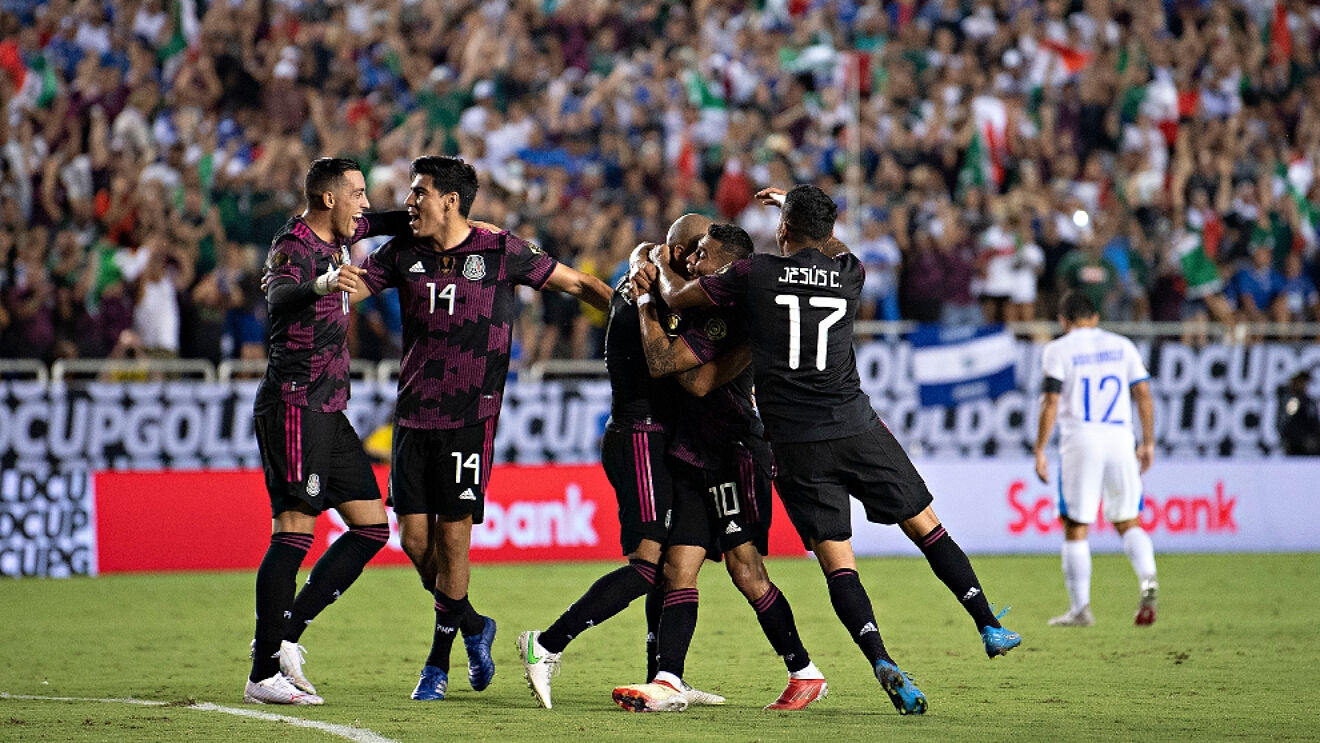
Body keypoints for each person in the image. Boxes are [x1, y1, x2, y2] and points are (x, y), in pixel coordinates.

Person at [652, 185, 1021, 716]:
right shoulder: (850, 272)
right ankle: (987, 622)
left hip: (796, 444)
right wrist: (799, 216)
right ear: (826, 232)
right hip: (855, 425)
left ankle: (881, 659)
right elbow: (832, 246)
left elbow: (676, 296)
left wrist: (654, 265)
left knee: (839, 565)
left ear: (782, 231)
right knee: (927, 527)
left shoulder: (753, 272)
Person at [354, 155, 613, 701]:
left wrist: (629, 319)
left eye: (419, 192)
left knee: (453, 542)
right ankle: (474, 625)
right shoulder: (402, 252)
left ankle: (437, 664)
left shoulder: (501, 250)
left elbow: (577, 283)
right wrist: (308, 279)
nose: (411, 202)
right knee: (414, 540)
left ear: (450, 199)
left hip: (471, 417)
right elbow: (347, 290)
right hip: (413, 415)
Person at [515, 215, 745, 711]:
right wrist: (651, 264)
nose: (707, 268)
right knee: (645, 567)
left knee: (671, 567)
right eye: (699, 254)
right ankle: (547, 643)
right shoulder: (656, 289)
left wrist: (646, 255)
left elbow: (653, 259)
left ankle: (662, 680)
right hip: (638, 434)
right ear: (683, 255)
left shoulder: (650, 269)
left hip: (662, 439)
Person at [611, 220, 827, 713]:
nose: (691, 261)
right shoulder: (695, 297)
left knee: (745, 571)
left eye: (702, 256)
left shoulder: (730, 314)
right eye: (690, 253)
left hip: (733, 454)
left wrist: (648, 295)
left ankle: (804, 671)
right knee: (675, 568)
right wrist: (645, 259)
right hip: (693, 452)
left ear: (726, 267)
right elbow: (651, 249)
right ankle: (668, 681)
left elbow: (691, 381)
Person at [246, 157, 404, 705]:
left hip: (329, 408)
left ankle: (287, 633)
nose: (365, 202)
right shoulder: (293, 244)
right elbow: (278, 301)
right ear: (328, 199)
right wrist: (325, 282)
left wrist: (437, 218)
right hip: (294, 404)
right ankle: (263, 671)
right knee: (293, 530)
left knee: (371, 526)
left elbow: (386, 222)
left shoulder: (344, 226)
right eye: (357, 193)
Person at [1033, 290, 1159, 627]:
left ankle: (1080, 609)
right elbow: (1143, 394)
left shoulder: (1058, 349)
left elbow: (1051, 401)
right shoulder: (1123, 345)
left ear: (1063, 321)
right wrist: (1148, 442)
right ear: (1096, 317)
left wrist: (1040, 448)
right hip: (1120, 437)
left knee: (1076, 526)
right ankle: (1148, 580)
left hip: (1081, 440)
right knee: (1128, 520)